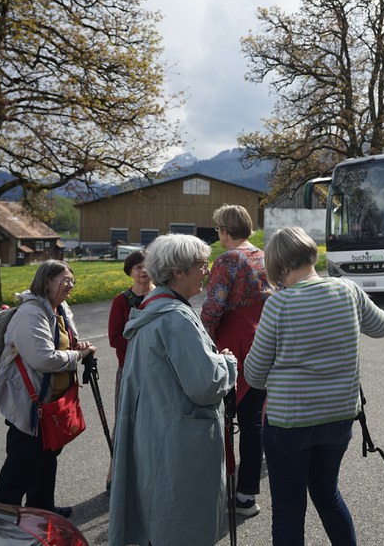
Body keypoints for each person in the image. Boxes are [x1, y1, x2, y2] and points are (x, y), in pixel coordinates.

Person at [245, 226, 384, 545]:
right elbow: (382, 328)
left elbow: (254, 375)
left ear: (282, 268)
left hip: (288, 423)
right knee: (327, 496)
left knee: (288, 509)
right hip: (339, 418)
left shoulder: (279, 306)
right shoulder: (348, 290)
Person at [108, 234, 238, 546]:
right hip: (179, 443)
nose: (206, 273)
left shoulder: (150, 308)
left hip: (157, 432)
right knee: (181, 526)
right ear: (178, 272)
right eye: (201, 266)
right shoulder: (176, 317)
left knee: (159, 517)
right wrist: (228, 364)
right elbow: (205, 385)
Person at [0, 260, 96, 518]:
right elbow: (43, 359)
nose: (70, 285)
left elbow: (66, 340)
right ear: (46, 281)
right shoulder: (31, 313)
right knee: (21, 462)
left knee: (48, 455)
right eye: (65, 280)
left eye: (72, 280)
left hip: (49, 400)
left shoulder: (60, 309)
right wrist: (78, 357)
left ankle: (42, 508)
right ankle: (2, 518)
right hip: (29, 400)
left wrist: (79, 347)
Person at [201, 204, 271, 517]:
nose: (217, 234)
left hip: (235, 339)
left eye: (218, 229)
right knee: (255, 418)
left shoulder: (228, 259)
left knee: (230, 419)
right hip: (263, 335)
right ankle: (247, 494)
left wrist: (201, 340)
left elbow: (212, 309)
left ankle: (231, 490)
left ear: (226, 230)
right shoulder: (263, 254)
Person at [105, 249, 154, 491]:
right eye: (137, 267)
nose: (143, 270)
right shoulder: (121, 300)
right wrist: (142, 341)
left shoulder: (161, 296)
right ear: (130, 272)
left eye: (146, 265)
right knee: (124, 421)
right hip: (129, 370)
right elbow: (114, 337)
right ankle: (115, 474)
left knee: (152, 421)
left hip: (156, 370)